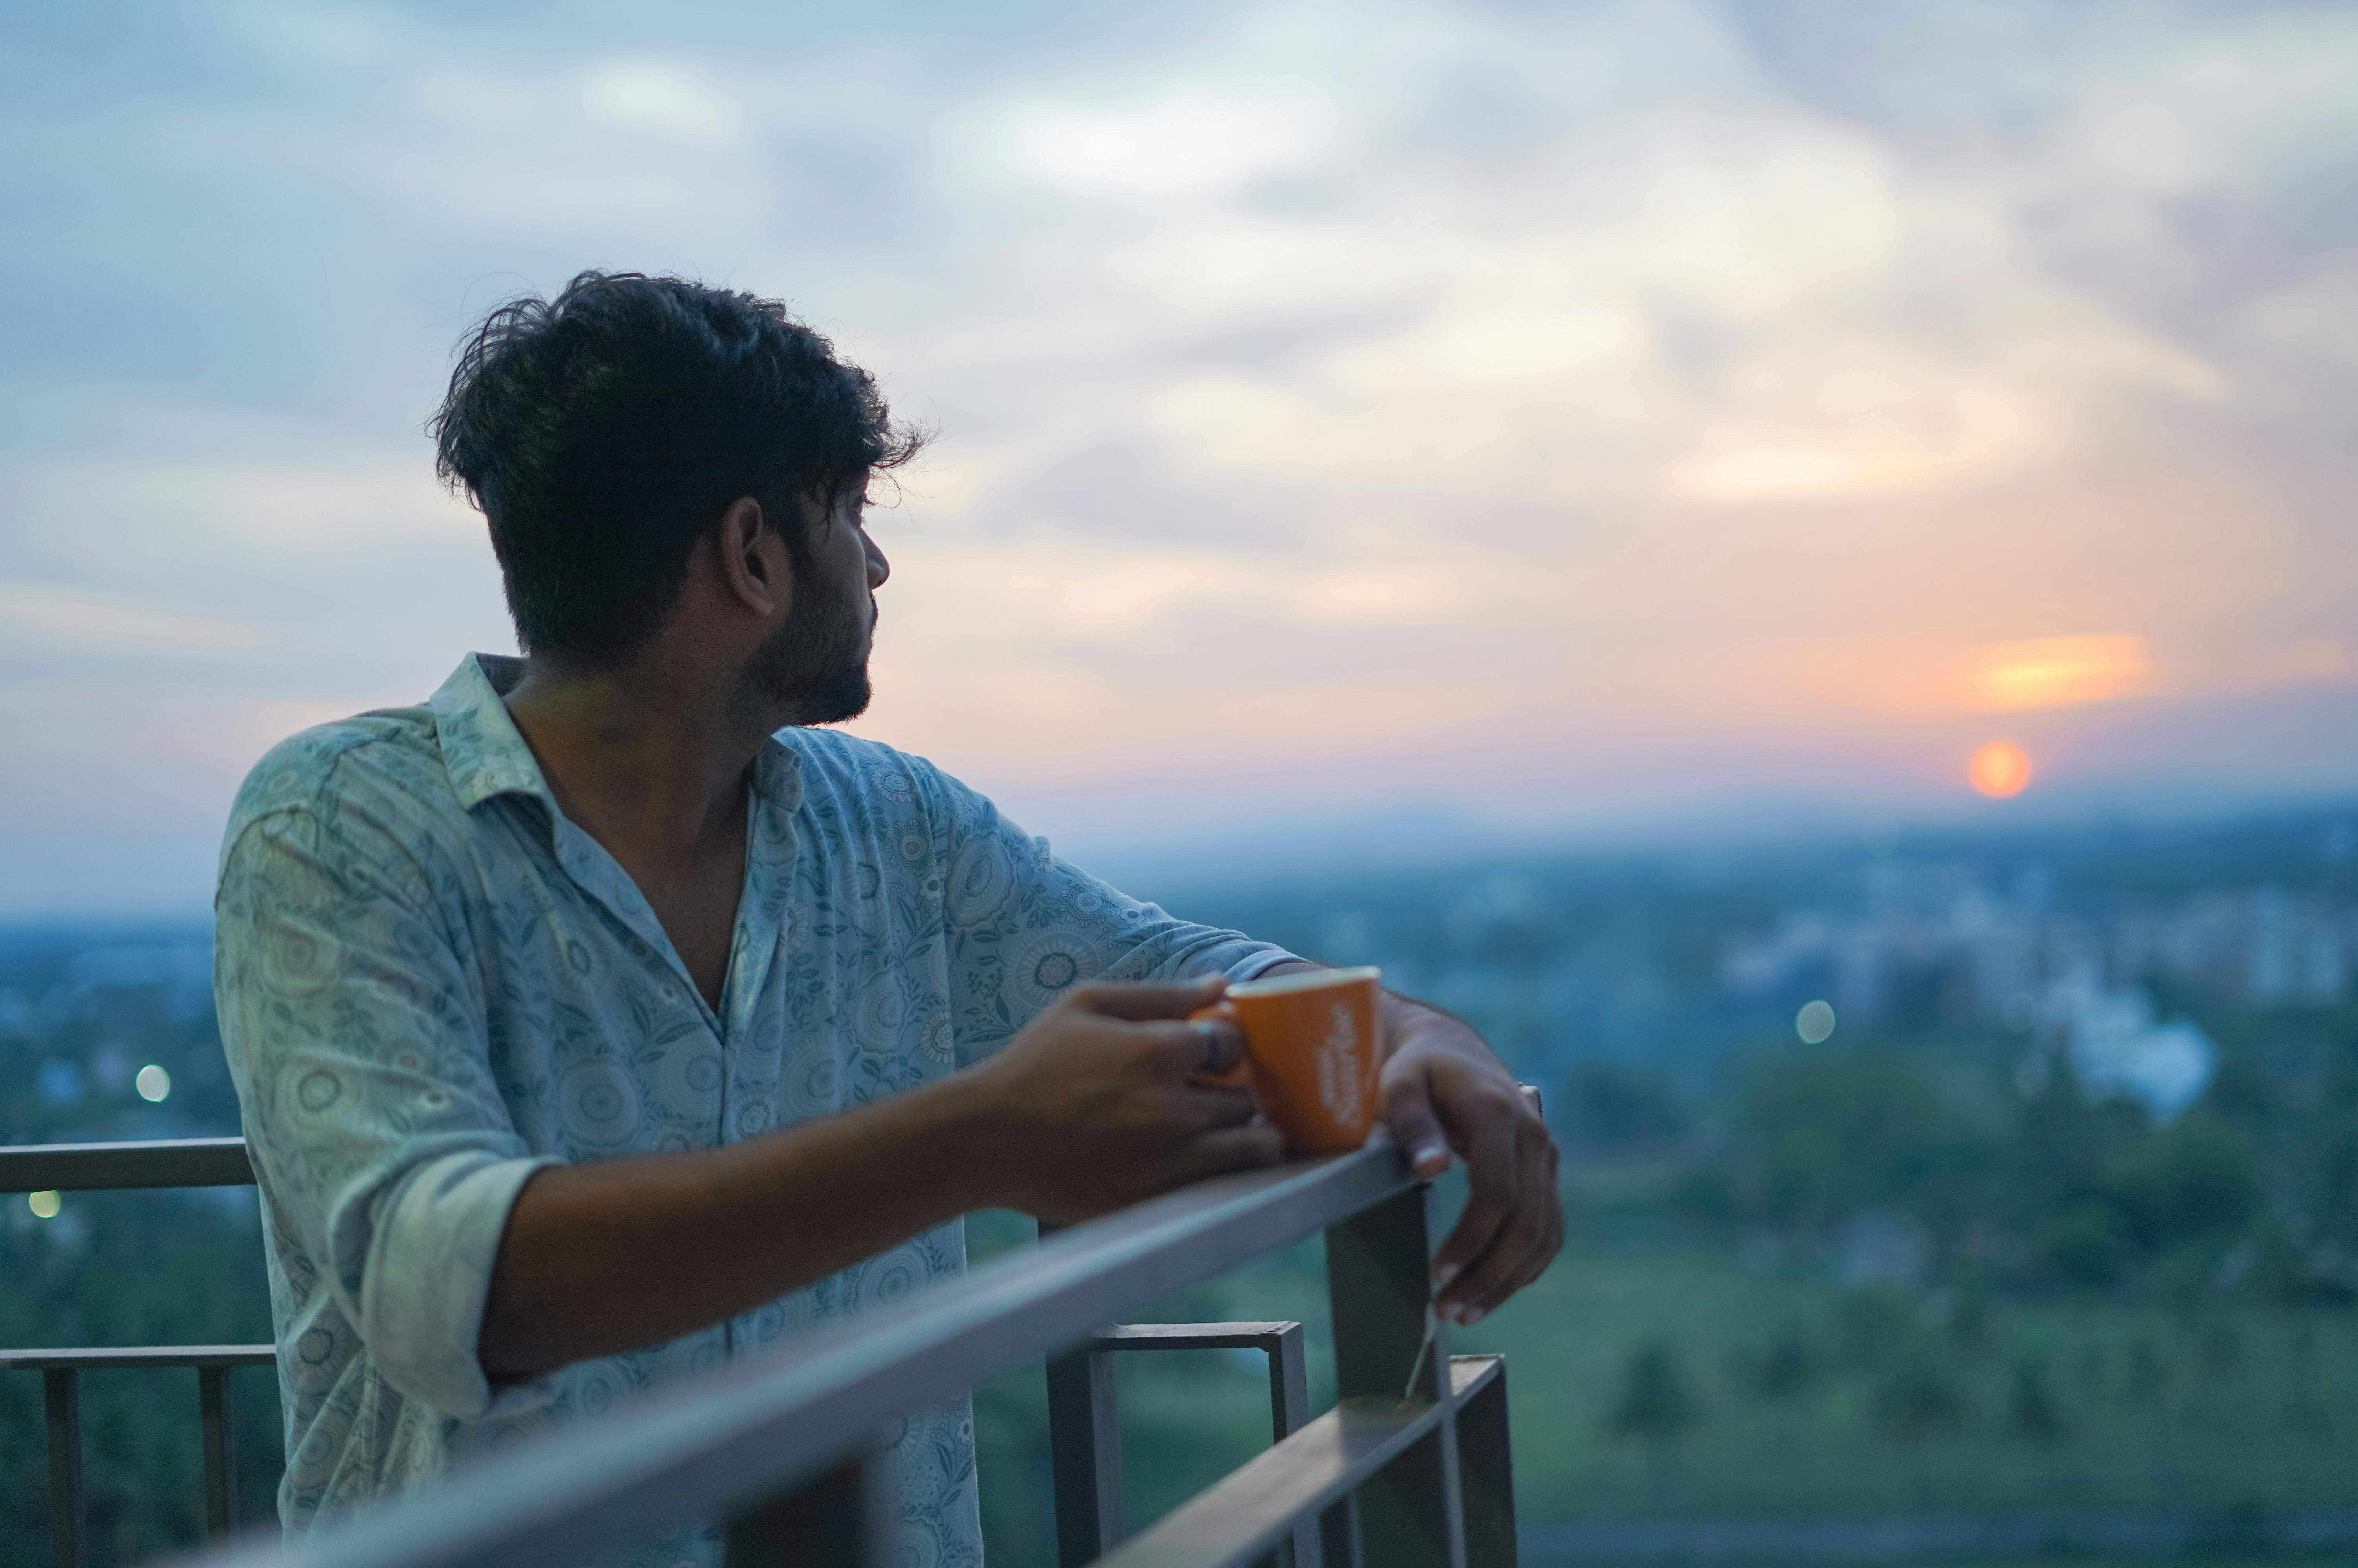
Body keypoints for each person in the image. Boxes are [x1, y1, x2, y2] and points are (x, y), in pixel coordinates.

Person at [212, 271, 1561, 1566]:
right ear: (752, 555)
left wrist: (1418, 1036)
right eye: (849, 511)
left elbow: (1169, 967)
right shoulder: (340, 824)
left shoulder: (889, 826)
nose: (880, 561)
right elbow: (450, 1284)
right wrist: (980, 1140)